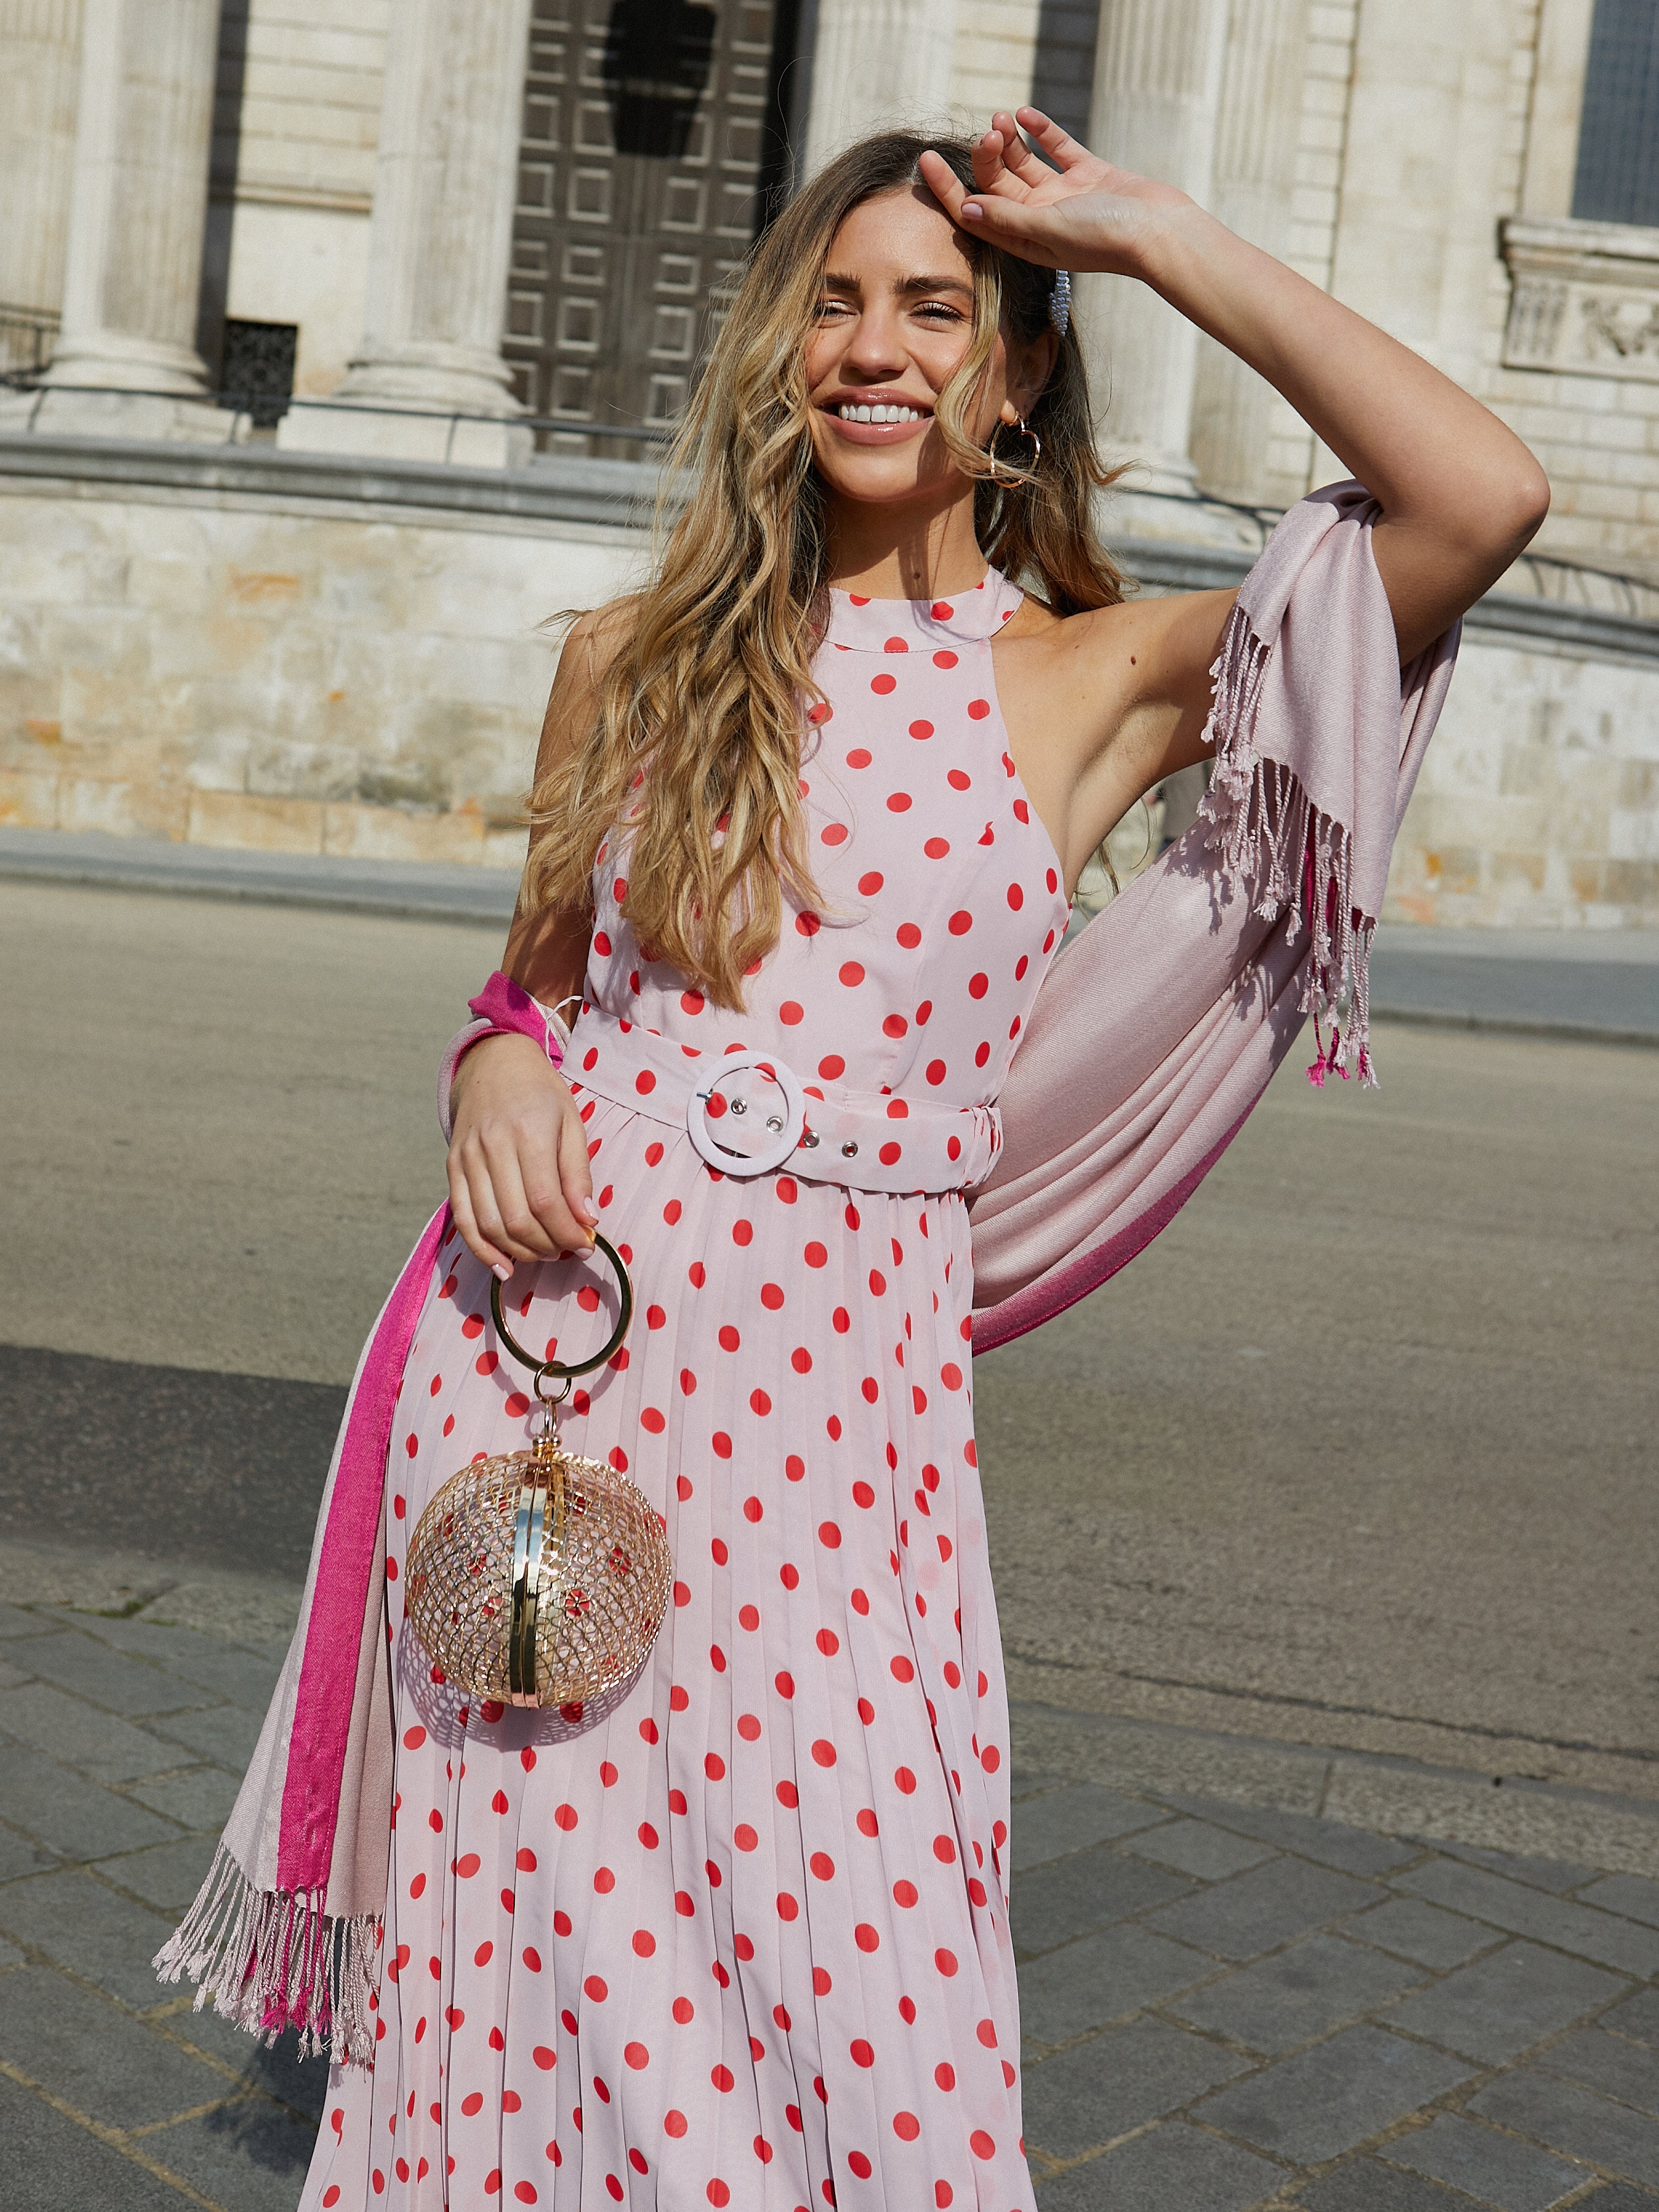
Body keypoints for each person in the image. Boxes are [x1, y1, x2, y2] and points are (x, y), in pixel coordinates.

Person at [275, 112, 1544, 2211]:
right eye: (837, 304)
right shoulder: (634, 662)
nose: (877, 349)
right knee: (516, 1993)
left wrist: (1144, 233)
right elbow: (527, 996)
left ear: (1020, 367)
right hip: (549, 1422)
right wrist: (489, 1072)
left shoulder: (1095, 675)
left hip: (847, 1460)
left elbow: (1479, 495)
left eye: (938, 310)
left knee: (877, 2020)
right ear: (783, 349)